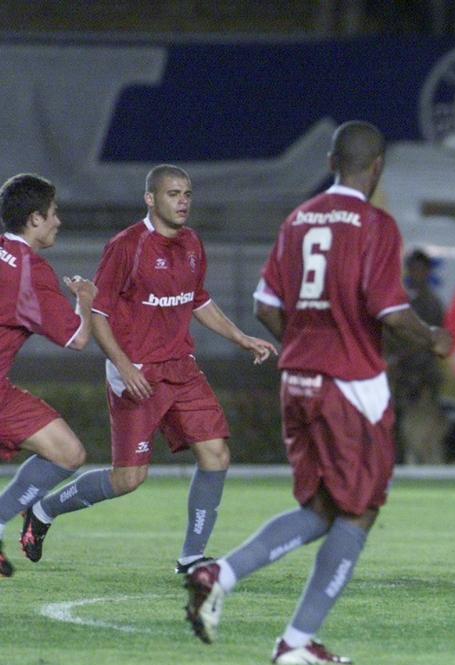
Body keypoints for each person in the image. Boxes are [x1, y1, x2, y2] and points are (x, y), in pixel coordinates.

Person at [183, 120, 452, 665]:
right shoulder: (375, 223)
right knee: (360, 510)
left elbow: (264, 305)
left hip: (298, 381)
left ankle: (222, 576)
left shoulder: (298, 219)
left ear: (332, 160)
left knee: (324, 507)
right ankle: (295, 640)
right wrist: (433, 337)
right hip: (350, 387)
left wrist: (305, 348)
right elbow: (390, 312)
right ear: (376, 168)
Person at [20, 165, 277, 572]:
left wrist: (240, 338)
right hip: (136, 372)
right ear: (151, 199)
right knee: (129, 479)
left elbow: (199, 300)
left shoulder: (193, 242)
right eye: (173, 194)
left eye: (187, 194)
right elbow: (99, 314)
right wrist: (125, 366)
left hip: (182, 368)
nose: (183, 202)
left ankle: (192, 557)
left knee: (216, 455)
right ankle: (44, 510)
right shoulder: (127, 245)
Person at [0, 174, 97, 578]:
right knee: (68, 454)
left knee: (67, 451)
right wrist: (86, 300)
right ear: (35, 218)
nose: (58, 222)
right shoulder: (29, 270)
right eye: (53, 214)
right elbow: (76, 338)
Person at [384, 248, 447, 465]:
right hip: (405, 377)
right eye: (412, 268)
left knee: (421, 428)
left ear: (427, 271)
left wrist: (397, 357)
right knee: (400, 426)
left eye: (419, 269)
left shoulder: (430, 303)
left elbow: (429, 339)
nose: (414, 273)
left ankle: (422, 463)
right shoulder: (407, 300)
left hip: (421, 378)